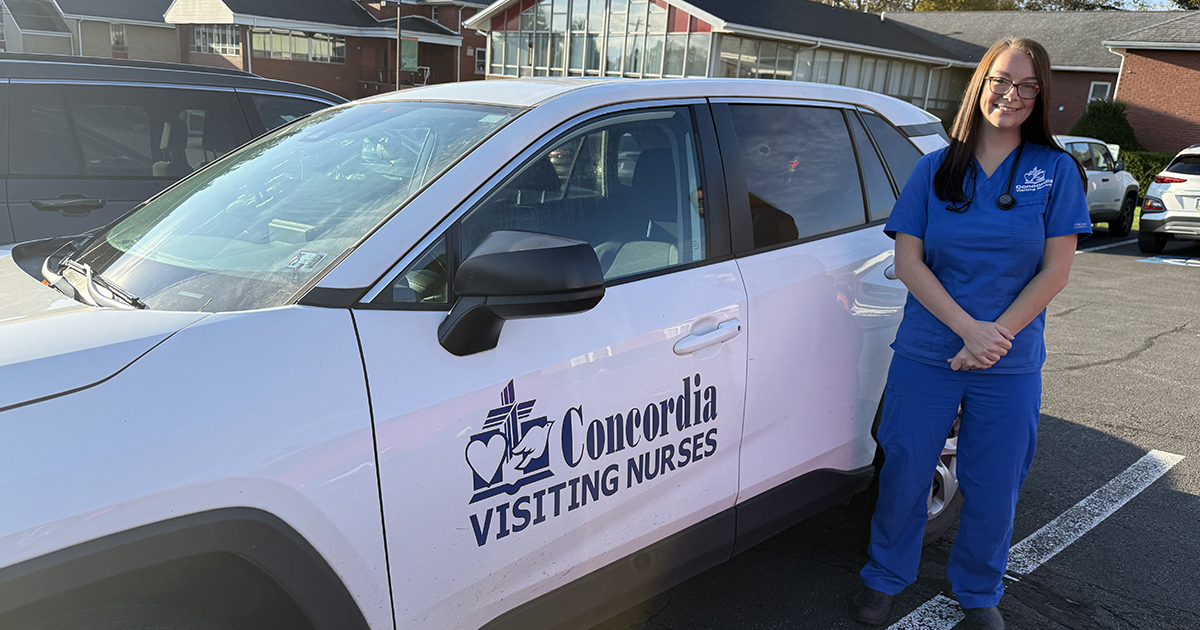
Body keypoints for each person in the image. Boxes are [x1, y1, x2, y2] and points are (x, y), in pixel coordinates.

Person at [850, 38, 1091, 630]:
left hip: (1007, 361)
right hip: (929, 351)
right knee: (907, 468)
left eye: (1026, 86)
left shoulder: (1055, 171)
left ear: (1040, 96)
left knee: (994, 481)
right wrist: (966, 330)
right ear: (979, 85)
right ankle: (885, 578)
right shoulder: (935, 169)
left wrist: (994, 338)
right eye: (1000, 81)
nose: (1010, 96)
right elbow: (910, 264)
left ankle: (979, 591)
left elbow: (1055, 271)